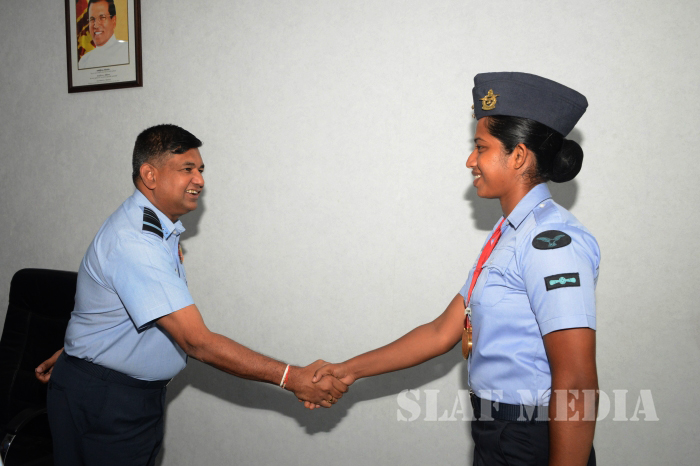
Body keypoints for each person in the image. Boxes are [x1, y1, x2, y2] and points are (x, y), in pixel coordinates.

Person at [313, 72, 599, 466]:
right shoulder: (509, 233)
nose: (470, 161)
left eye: (481, 148)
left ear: (518, 156)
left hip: (531, 436)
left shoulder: (551, 243)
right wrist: (348, 370)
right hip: (497, 432)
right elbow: (441, 331)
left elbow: (577, 380)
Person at [38, 124, 347, 466]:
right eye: (187, 169)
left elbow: (120, 305)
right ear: (150, 175)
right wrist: (292, 377)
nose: (199, 180)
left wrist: (81, 350)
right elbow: (196, 342)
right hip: (108, 400)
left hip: (115, 390)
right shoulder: (137, 242)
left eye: (200, 169)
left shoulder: (156, 228)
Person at [78, 0, 129, 69]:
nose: (96, 25)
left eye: (102, 18)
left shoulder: (128, 51)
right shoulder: (84, 62)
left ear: (113, 21)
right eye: (92, 19)